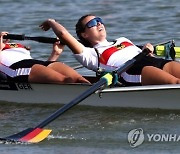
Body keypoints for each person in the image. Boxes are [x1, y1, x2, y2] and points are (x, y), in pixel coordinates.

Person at [39, 15, 180, 86]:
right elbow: (64, 35)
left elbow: (142, 52)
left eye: (99, 20)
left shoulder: (123, 39)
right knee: (176, 84)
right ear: (84, 34)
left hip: (154, 61)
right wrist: (51, 22)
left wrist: (147, 49)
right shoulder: (89, 54)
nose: (99, 23)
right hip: (131, 70)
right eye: (92, 23)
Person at [0, 31, 90, 84]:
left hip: (36, 63)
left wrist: (56, 53)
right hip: (16, 69)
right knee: (67, 81)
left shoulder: (15, 45)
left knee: (80, 79)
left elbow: (40, 73)